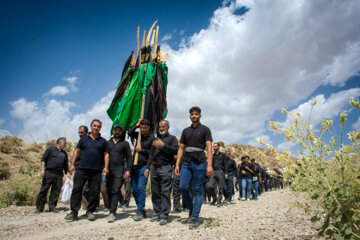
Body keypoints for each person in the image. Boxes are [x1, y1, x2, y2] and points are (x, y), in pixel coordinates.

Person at [175, 106, 213, 229]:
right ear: (190, 116)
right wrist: (177, 165)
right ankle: (192, 210)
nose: (194, 116)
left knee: (197, 189)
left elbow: (209, 148)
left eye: (196, 114)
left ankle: (195, 217)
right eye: (192, 114)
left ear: (200, 115)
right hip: (186, 162)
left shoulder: (205, 129)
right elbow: (181, 148)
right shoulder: (185, 131)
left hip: (200, 162)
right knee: (183, 187)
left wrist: (209, 165)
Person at [65, 119, 109, 221]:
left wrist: (106, 167)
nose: (96, 128)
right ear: (91, 126)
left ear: (100, 128)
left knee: (94, 191)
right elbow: (76, 151)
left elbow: (106, 155)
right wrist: (72, 165)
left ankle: (90, 211)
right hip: (82, 168)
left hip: (96, 170)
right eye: (94, 126)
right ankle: (74, 212)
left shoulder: (103, 141)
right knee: (77, 189)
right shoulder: (83, 139)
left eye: (98, 126)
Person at [145, 120, 178, 225]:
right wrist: (147, 167)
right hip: (154, 167)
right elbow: (151, 154)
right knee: (155, 192)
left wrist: (163, 145)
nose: (161, 128)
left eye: (164, 126)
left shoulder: (172, 139)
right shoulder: (155, 139)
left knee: (165, 191)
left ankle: (164, 215)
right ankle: (157, 213)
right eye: (160, 126)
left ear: (168, 127)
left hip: (165, 167)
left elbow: (175, 151)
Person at [128, 119, 155, 221]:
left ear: (148, 128)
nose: (142, 129)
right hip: (134, 166)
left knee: (141, 188)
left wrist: (141, 150)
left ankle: (140, 211)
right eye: (141, 128)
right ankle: (141, 210)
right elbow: (129, 132)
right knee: (134, 190)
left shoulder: (152, 139)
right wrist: (137, 124)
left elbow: (151, 154)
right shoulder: (138, 135)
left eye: (144, 128)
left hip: (143, 167)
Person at [106, 124, 132, 222]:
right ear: (112, 131)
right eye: (115, 130)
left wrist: (128, 170)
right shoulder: (107, 143)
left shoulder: (125, 144)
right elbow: (104, 156)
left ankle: (112, 212)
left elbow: (129, 157)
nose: (117, 132)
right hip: (108, 170)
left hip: (119, 170)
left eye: (119, 130)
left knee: (115, 190)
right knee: (109, 190)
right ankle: (113, 208)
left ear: (122, 132)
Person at [35, 137, 69, 213]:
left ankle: (52, 207)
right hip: (49, 173)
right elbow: (43, 160)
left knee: (56, 191)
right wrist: (42, 170)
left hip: (59, 174)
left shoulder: (64, 153)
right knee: (44, 190)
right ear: (60, 142)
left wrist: (67, 173)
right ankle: (39, 207)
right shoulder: (50, 149)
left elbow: (66, 165)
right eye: (64, 143)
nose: (65, 145)